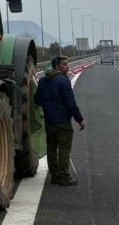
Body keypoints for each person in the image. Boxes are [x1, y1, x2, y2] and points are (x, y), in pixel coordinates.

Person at [35, 55, 85, 186]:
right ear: (57, 66)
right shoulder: (63, 80)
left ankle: (55, 176)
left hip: (49, 121)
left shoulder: (43, 81)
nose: (67, 67)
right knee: (64, 148)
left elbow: (37, 100)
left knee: (51, 148)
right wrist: (79, 119)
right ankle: (64, 177)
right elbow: (71, 103)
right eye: (64, 64)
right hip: (62, 121)